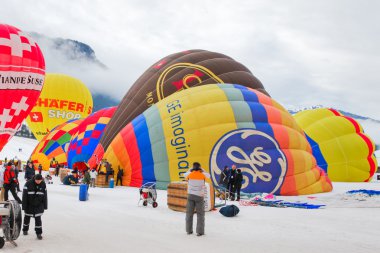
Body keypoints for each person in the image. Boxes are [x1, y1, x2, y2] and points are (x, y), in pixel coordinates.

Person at [185, 162, 210, 236]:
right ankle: (200, 232)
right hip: (199, 196)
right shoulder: (203, 174)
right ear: (200, 167)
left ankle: (189, 230)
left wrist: (191, 169)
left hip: (190, 195)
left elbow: (185, 174)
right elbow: (208, 175)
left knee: (189, 214)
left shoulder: (189, 174)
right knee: (200, 214)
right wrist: (202, 170)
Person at [22, 174, 48, 240]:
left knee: (38, 219)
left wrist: (45, 206)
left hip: (39, 205)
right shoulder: (28, 183)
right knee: (27, 218)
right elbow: (24, 196)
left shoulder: (43, 184)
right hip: (29, 205)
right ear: (34, 179)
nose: (39, 182)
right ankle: (25, 230)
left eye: (40, 180)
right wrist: (24, 206)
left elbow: (45, 196)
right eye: (37, 180)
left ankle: (39, 233)